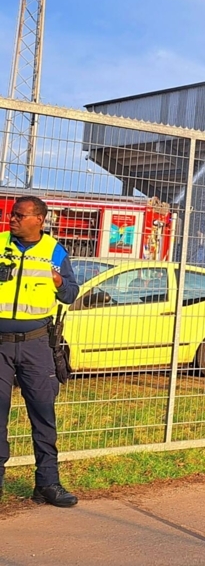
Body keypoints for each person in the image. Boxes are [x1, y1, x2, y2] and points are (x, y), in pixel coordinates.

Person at [0, 196, 80, 507]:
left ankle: (47, 484)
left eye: (20, 215)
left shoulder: (55, 252)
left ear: (39, 220)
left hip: (36, 344)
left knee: (44, 415)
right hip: (1, 345)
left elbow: (72, 293)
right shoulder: (1, 244)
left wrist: (59, 280)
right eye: (12, 214)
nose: (12, 219)